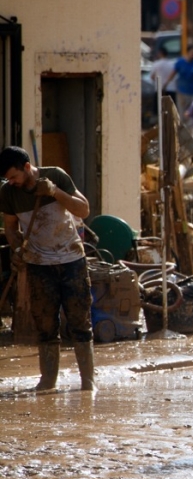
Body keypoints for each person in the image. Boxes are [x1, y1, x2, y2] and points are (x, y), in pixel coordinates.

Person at [0, 146, 95, 393]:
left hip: (72, 260)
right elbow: (11, 229)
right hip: (38, 265)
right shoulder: (8, 193)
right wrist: (17, 250)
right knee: (45, 325)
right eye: (7, 179)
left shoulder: (56, 175)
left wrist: (55, 192)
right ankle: (48, 382)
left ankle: (88, 383)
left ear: (27, 167)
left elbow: (83, 210)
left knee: (79, 322)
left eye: (15, 177)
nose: (12, 183)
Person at [168, 45, 193, 114]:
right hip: (182, 91)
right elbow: (172, 74)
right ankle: (182, 124)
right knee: (182, 112)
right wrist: (166, 84)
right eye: (192, 53)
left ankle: (191, 125)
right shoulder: (180, 62)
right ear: (188, 52)